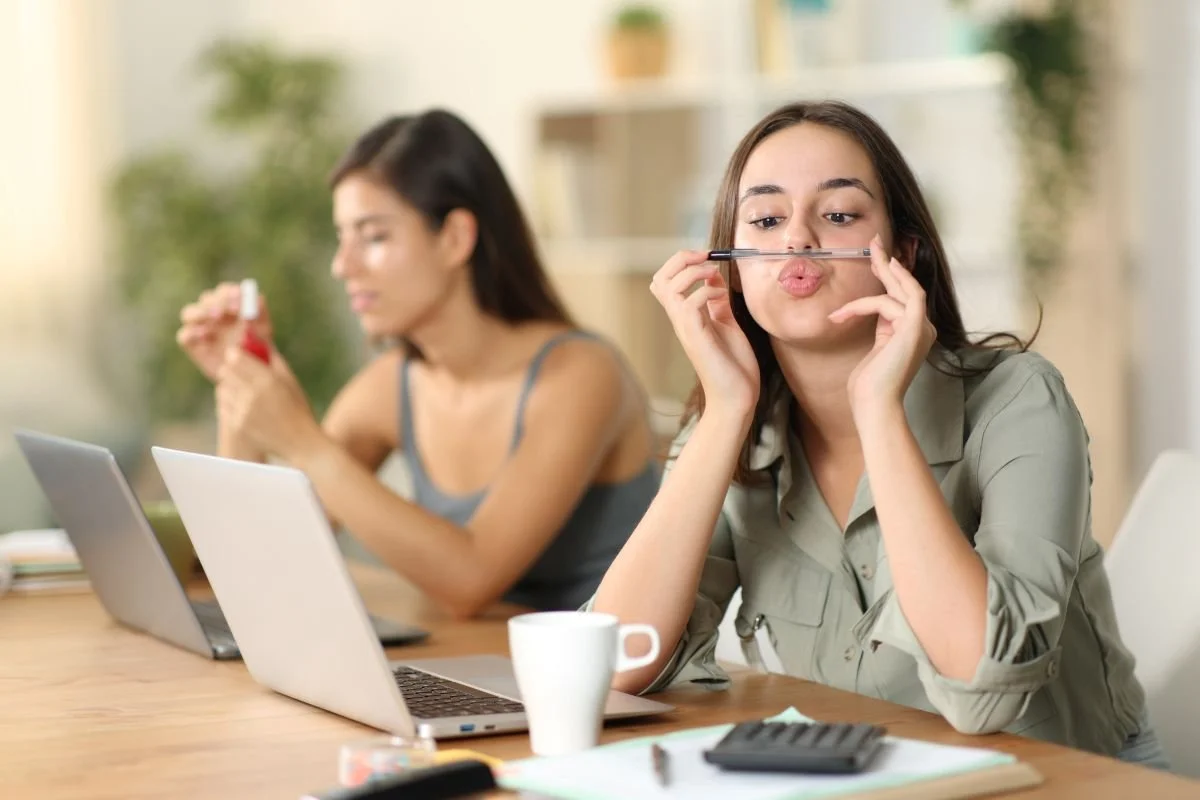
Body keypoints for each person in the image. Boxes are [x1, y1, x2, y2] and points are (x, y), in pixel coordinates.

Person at [590, 100, 1170, 768]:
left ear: (904, 252)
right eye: (767, 219)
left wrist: (879, 410)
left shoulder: (1020, 400)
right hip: (866, 773)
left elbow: (984, 694)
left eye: (838, 215)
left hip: (1065, 779)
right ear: (732, 266)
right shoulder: (730, 426)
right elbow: (611, 669)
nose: (798, 241)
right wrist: (723, 412)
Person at [175, 109, 659, 617]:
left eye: (374, 236)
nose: (343, 265)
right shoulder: (392, 386)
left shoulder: (580, 375)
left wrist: (303, 441)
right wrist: (241, 379)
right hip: (487, 671)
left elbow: (471, 579)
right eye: (342, 237)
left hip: (618, 687)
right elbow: (256, 562)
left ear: (454, 238)